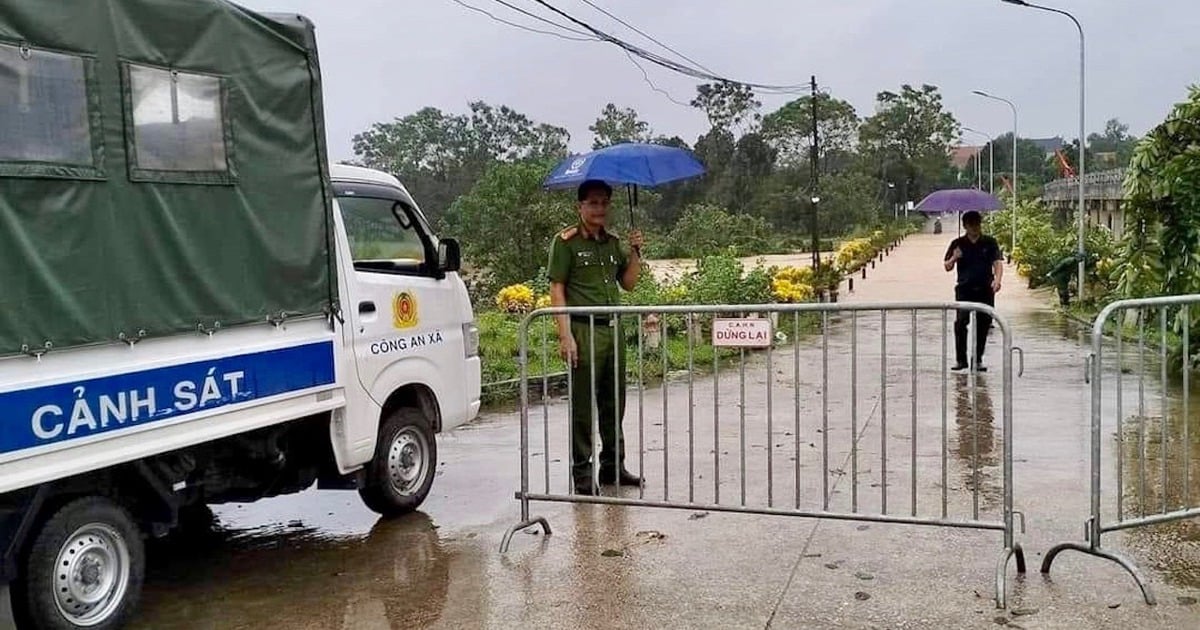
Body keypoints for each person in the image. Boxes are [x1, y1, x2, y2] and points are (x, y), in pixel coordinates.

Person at [547, 179, 645, 496]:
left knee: (614, 402)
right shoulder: (566, 242)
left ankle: (613, 467)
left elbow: (628, 284)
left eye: (604, 203)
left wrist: (635, 253)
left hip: (612, 329)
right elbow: (557, 288)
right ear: (580, 206)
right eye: (593, 203)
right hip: (583, 329)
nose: (600, 208)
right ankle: (582, 473)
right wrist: (564, 336)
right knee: (583, 404)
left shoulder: (613, 242)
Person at [943, 210, 1004, 371]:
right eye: (971, 225)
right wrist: (954, 257)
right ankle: (961, 360)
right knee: (961, 323)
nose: (975, 228)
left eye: (977, 224)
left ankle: (977, 360)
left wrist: (997, 280)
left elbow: (997, 263)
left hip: (985, 288)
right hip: (964, 289)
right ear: (965, 226)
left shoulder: (990, 242)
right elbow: (947, 267)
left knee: (983, 325)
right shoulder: (957, 243)